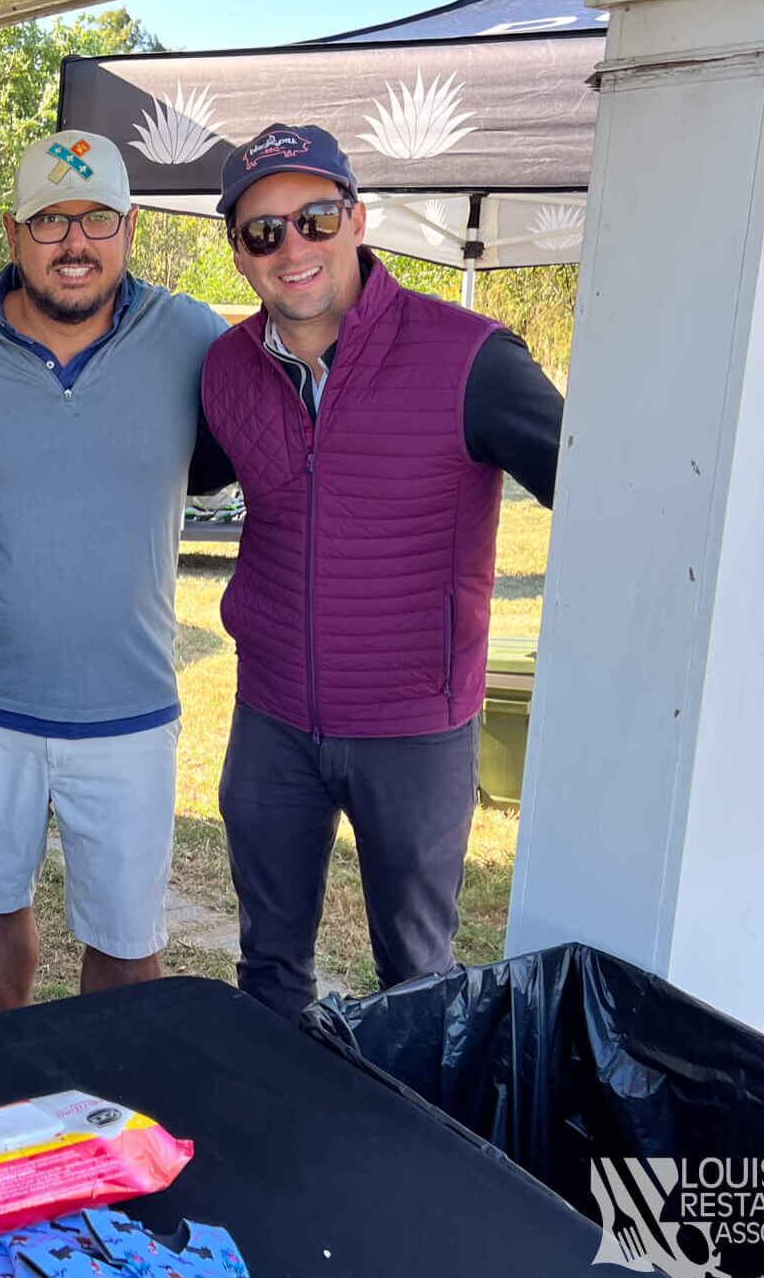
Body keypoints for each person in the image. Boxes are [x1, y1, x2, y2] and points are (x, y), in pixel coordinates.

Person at [200, 122, 563, 1022]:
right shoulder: (227, 368)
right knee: (269, 965)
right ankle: (284, 1135)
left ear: (358, 219)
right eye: (263, 230)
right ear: (240, 252)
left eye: (315, 218)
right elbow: (177, 468)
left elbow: (605, 497)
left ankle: (416, 1150)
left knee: (417, 978)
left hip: (415, 728)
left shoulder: (472, 358)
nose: (293, 247)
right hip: (272, 718)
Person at [0, 130, 231, 1013]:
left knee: (128, 939)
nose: (75, 243)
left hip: (127, 706)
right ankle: (9, 1055)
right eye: (50, 221)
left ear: (129, 228)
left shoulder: (191, 336)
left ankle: (108, 1098)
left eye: (96, 219)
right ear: (13, 235)